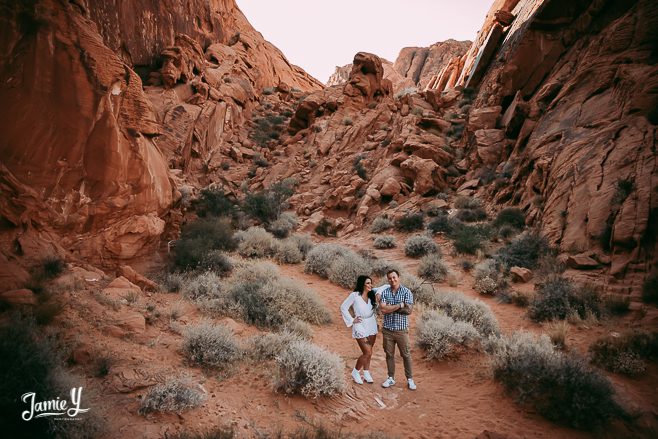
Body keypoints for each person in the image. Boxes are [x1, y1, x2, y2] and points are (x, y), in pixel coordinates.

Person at [377, 269, 416, 390]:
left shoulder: (406, 292)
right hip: (387, 330)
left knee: (406, 354)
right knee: (389, 355)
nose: (392, 280)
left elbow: (408, 311)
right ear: (387, 279)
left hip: (401, 330)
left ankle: (410, 379)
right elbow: (383, 310)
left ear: (398, 277)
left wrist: (390, 307)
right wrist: (400, 305)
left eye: (394, 277)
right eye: (390, 278)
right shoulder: (385, 292)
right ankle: (390, 378)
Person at [340, 275, 379, 384]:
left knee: (370, 352)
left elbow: (384, 287)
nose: (370, 285)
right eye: (367, 283)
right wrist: (352, 320)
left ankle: (366, 372)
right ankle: (356, 372)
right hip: (360, 324)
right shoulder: (355, 295)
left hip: (371, 323)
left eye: (371, 283)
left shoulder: (372, 294)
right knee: (367, 352)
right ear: (362, 284)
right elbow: (343, 307)